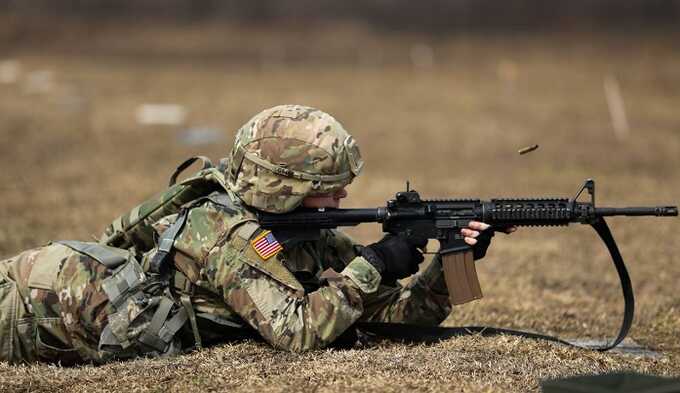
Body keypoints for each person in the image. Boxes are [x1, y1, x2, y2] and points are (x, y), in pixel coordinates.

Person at [0, 104, 508, 364]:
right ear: (284, 188)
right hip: (28, 307)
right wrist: (374, 262)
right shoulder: (227, 235)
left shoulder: (299, 231)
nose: (340, 201)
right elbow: (299, 333)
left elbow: (397, 318)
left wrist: (452, 261)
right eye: (327, 189)